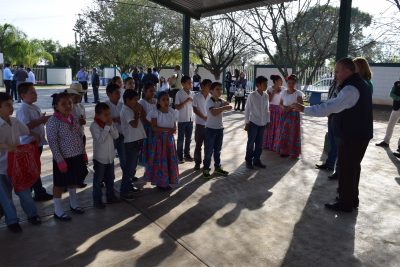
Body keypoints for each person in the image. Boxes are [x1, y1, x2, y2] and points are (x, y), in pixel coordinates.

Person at [292, 57, 373, 212]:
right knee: (352, 168)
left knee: (348, 169)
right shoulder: (357, 84)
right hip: (358, 134)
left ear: (348, 71)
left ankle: (345, 203)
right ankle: (350, 198)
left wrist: (305, 109)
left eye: (337, 71)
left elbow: (331, 106)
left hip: (353, 136)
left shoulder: (350, 89)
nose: (335, 75)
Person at [0, 92, 41, 233]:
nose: (11, 108)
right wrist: (6, 146)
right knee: (6, 197)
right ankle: (12, 221)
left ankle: (32, 215)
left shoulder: (15, 122)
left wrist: (35, 135)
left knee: (25, 193)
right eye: (7, 105)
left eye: (11, 104)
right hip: (1, 169)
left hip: (17, 166)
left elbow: (27, 131)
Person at [47, 92, 88, 221]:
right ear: (56, 106)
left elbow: (78, 136)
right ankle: (58, 211)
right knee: (59, 184)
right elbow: (53, 142)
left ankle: (73, 204)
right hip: (63, 159)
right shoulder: (53, 121)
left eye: (69, 103)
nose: (67, 106)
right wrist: (60, 161)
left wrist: (83, 153)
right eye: (63, 104)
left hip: (76, 156)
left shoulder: (73, 117)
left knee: (73, 181)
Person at [16, 82, 53, 201]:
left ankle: (37, 191)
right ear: (23, 95)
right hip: (29, 144)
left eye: (35, 92)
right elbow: (24, 127)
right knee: (33, 168)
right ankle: (36, 192)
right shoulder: (23, 110)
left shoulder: (34, 106)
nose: (35, 94)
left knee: (35, 167)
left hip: (38, 143)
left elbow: (35, 121)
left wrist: (41, 119)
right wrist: (41, 119)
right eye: (32, 92)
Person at [145, 91, 179, 191]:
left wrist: (172, 129)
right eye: (163, 100)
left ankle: (168, 181)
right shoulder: (155, 112)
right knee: (159, 160)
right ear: (158, 102)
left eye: (167, 99)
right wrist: (167, 130)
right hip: (159, 140)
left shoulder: (172, 111)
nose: (166, 102)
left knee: (169, 161)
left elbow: (174, 127)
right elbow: (154, 127)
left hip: (169, 140)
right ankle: (161, 182)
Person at [90, 103, 120, 209]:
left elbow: (116, 136)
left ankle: (110, 196)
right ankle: (97, 200)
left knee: (110, 178)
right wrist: (108, 126)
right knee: (98, 181)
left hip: (110, 157)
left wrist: (111, 126)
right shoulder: (94, 126)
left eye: (109, 114)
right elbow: (101, 140)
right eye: (105, 115)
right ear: (98, 115)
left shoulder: (109, 124)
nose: (108, 117)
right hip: (100, 158)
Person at [120, 90, 146, 199]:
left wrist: (138, 110)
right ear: (127, 100)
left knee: (132, 167)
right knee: (129, 168)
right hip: (131, 142)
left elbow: (143, 114)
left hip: (137, 140)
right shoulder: (126, 110)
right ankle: (124, 191)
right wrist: (137, 113)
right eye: (134, 99)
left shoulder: (131, 108)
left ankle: (129, 186)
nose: (136, 102)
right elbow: (134, 125)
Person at [203, 82, 232, 178]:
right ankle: (206, 169)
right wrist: (224, 107)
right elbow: (214, 112)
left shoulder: (219, 101)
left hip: (220, 128)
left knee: (217, 150)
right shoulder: (209, 102)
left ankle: (217, 167)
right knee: (208, 151)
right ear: (211, 91)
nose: (220, 91)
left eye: (220, 89)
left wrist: (223, 103)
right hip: (210, 129)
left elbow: (229, 105)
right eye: (217, 89)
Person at [315, 78, 340, 179]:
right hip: (331, 114)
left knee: (337, 143)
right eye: (335, 71)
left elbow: (337, 102)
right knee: (332, 141)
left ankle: (337, 169)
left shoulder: (345, 86)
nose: (336, 74)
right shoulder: (334, 83)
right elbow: (330, 98)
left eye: (338, 72)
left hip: (337, 115)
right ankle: (329, 164)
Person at [275, 74, 304, 158]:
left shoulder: (298, 93)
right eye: (289, 83)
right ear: (287, 83)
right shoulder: (283, 92)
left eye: (292, 83)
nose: (290, 85)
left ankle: (293, 152)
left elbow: (301, 104)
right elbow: (280, 103)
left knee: (293, 132)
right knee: (284, 132)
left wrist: (291, 107)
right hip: (284, 114)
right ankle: (284, 151)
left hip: (293, 115)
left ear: (295, 84)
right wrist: (283, 107)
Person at [245, 76, 270, 169]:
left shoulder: (266, 95)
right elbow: (247, 109)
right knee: (251, 143)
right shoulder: (252, 95)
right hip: (253, 123)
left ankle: (257, 160)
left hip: (262, 123)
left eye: (266, 84)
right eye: (264, 84)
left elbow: (267, 109)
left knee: (259, 144)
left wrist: (268, 121)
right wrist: (247, 123)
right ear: (258, 85)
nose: (266, 86)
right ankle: (248, 161)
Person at [65, 83, 87, 188]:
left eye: (80, 95)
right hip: (70, 138)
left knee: (80, 159)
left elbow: (84, 120)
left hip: (80, 135)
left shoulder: (81, 106)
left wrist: (82, 121)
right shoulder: (67, 108)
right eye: (76, 95)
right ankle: (66, 182)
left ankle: (79, 179)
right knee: (70, 161)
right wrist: (78, 122)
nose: (79, 97)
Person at [105, 83, 126, 174]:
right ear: (109, 94)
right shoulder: (105, 106)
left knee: (124, 158)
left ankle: (127, 178)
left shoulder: (123, 105)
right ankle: (109, 178)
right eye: (116, 93)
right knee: (109, 158)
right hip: (110, 136)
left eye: (119, 93)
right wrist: (114, 119)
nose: (119, 95)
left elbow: (126, 118)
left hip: (122, 134)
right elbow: (101, 119)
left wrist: (121, 120)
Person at [192, 79, 212, 170]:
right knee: (198, 145)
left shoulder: (211, 97)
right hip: (200, 124)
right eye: (208, 86)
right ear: (202, 86)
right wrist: (203, 117)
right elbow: (195, 109)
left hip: (209, 125)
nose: (210, 88)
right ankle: (197, 163)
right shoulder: (196, 96)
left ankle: (206, 164)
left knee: (208, 146)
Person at [376, 80, 400, 152]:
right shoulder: (396, 84)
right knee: (390, 125)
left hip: (396, 108)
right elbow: (391, 94)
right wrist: (399, 98)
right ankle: (386, 142)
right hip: (396, 108)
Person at [175, 75, 194, 164]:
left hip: (190, 119)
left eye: (191, 83)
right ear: (183, 84)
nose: (190, 84)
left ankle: (187, 154)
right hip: (182, 119)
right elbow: (177, 107)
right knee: (181, 139)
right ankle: (179, 155)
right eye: (188, 83)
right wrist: (186, 101)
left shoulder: (192, 93)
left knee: (189, 138)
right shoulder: (179, 93)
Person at [263, 75, 284, 151]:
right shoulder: (269, 88)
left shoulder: (283, 89)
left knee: (278, 128)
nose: (281, 82)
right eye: (280, 80)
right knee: (270, 127)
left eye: (281, 80)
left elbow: (283, 100)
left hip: (279, 110)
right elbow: (269, 100)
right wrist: (274, 92)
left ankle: (276, 145)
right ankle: (268, 144)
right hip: (271, 110)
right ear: (275, 81)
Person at [139, 83, 157, 166]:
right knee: (147, 148)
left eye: (154, 91)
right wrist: (153, 125)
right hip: (146, 129)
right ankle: (147, 166)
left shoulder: (155, 101)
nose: (153, 93)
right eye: (150, 91)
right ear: (144, 92)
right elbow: (144, 118)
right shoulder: (141, 102)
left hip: (155, 128)